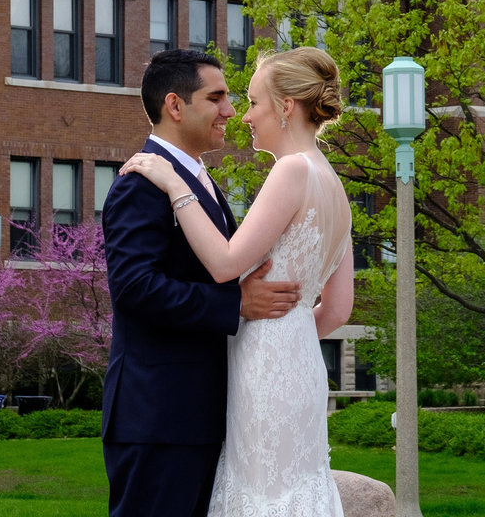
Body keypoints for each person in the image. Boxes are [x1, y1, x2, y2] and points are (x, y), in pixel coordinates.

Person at [120, 45, 355, 517]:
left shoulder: (290, 170)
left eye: (252, 101)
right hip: (303, 366)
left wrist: (172, 182)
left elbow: (226, 265)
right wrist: (288, 335)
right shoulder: (335, 186)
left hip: (265, 368)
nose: (243, 115)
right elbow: (337, 310)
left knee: (262, 497)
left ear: (286, 107)